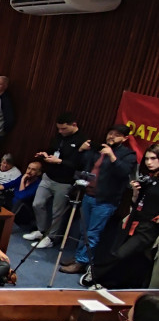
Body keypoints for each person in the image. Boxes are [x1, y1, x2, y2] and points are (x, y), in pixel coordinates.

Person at [59, 124, 139, 275]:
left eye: (116, 135)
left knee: (93, 233)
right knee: (83, 231)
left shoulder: (128, 155)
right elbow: (85, 165)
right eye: (110, 133)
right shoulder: (99, 149)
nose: (111, 136)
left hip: (105, 201)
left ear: (125, 138)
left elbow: (124, 173)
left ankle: (82, 262)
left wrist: (112, 156)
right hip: (88, 195)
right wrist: (82, 150)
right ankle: (78, 257)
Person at [88, 144, 159, 289]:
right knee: (122, 253)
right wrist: (135, 193)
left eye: (153, 158)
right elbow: (137, 202)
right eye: (146, 159)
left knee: (122, 254)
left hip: (149, 227)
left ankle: (95, 274)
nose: (149, 162)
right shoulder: (149, 178)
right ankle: (112, 283)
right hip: (134, 219)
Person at [23, 113, 89, 249]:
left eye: (64, 129)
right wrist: (45, 155)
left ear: (74, 125)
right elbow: (53, 150)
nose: (60, 131)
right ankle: (41, 231)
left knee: (56, 211)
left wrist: (59, 161)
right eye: (58, 128)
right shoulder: (59, 136)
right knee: (37, 203)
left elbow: (79, 164)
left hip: (64, 181)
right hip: (49, 176)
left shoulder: (82, 141)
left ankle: (51, 238)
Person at [0, 160, 43, 227]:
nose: (29, 171)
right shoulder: (23, 177)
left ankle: (6, 225)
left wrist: (23, 181)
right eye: (28, 168)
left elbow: (21, 196)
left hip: (24, 212)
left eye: (33, 169)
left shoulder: (38, 184)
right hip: (13, 205)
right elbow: (7, 185)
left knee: (19, 201)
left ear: (39, 173)